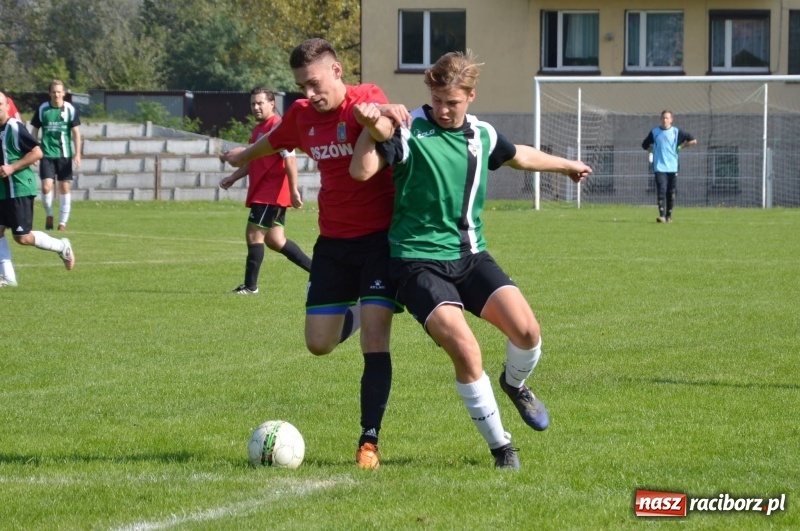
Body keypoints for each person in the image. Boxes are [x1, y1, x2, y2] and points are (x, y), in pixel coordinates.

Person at [349, 51, 592, 469]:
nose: (443, 109)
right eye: (437, 99)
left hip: (470, 256)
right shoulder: (408, 130)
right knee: (465, 348)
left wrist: (566, 165)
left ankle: (514, 384)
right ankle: (503, 449)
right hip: (416, 262)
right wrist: (370, 131)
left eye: (452, 103)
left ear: (471, 97)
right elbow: (361, 170)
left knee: (528, 332)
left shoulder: (482, 134)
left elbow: (521, 156)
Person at [220, 38, 411, 469]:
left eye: (314, 83)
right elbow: (274, 142)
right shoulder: (302, 117)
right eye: (301, 86)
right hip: (333, 243)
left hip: (380, 239)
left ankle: (369, 442)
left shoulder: (365, 98)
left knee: (375, 341)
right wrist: (242, 157)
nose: (309, 93)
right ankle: (362, 308)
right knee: (318, 344)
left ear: (337, 71)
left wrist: (390, 112)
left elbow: (383, 120)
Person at [219, 87, 312, 294]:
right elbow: (251, 161)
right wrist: (233, 178)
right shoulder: (258, 130)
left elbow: (290, 159)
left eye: (260, 103)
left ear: (272, 103)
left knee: (253, 235)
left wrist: (293, 189)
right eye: (253, 103)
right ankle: (317, 271)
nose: (256, 107)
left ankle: (250, 287)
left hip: (270, 192)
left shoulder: (277, 127)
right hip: (263, 191)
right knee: (275, 240)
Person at [0, 92, 75, 288]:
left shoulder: (14, 127)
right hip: (2, 190)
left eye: (0, 104)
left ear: (7, 106)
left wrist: (12, 167)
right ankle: (8, 278)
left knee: (22, 238)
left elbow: (38, 152)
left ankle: (62, 246)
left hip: (19, 189)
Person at [30, 79, 82, 231]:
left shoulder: (69, 109)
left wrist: (77, 153)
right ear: (49, 93)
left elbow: (76, 133)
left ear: (63, 93)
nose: (56, 94)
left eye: (59, 91)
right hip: (46, 155)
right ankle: (50, 214)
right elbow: (34, 130)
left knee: (64, 187)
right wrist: (34, 150)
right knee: (46, 188)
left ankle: (62, 223)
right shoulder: (43, 109)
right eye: (53, 91)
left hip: (64, 155)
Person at [641, 110, 696, 223]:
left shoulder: (676, 132)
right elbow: (644, 145)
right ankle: (661, 215)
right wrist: (652, 151)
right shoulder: (655, 132)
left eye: (667, 118)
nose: (665, 120)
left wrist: (681, 147)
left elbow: (693, 140)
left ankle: (669, 216)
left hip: (672, 167)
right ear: (661, 119)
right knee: (661, 190)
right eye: (663, 118)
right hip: (659, 167)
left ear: (671, 120)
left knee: (671, 192)